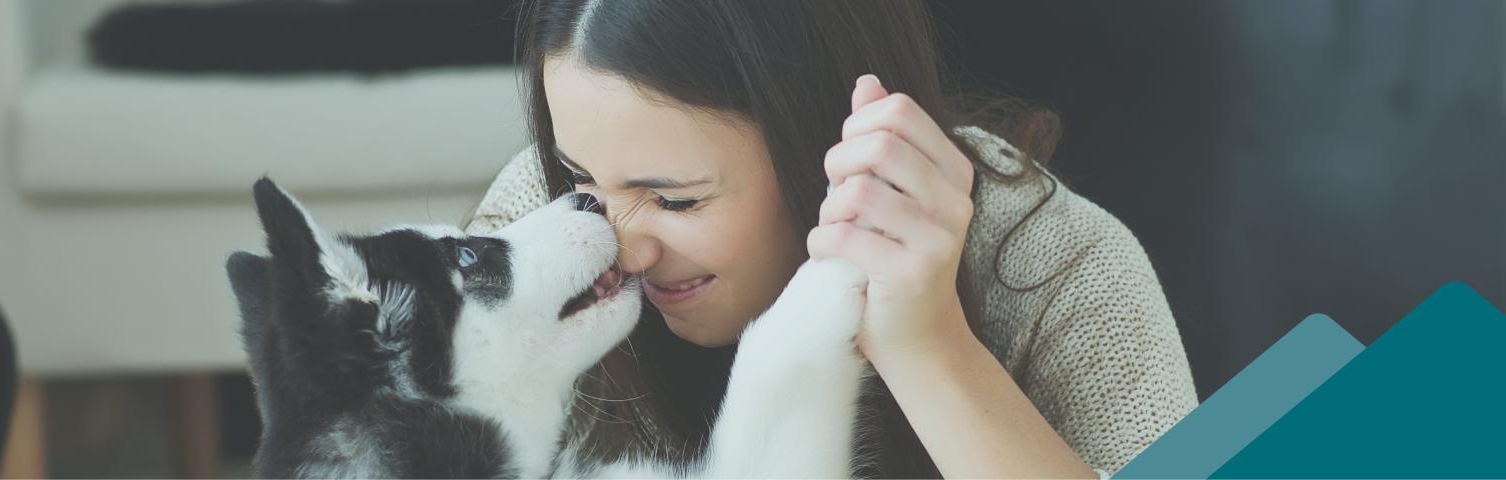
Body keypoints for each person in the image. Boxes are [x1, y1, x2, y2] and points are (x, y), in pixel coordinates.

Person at [463, 1, 1196, 477]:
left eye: (676, 199)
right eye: (580, 177)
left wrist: (926, 344)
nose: (622, 248)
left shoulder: (1057, 268)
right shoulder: (544, 230)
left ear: (820, 140)